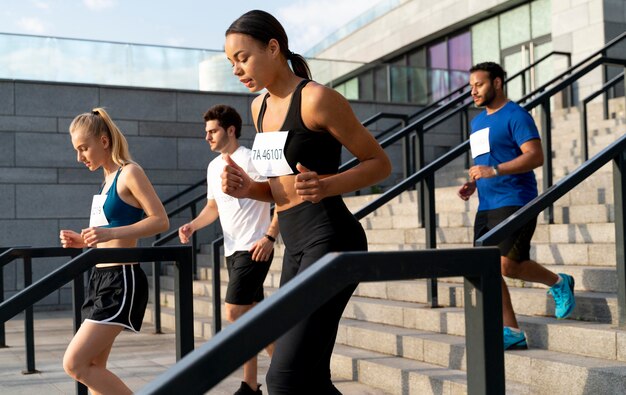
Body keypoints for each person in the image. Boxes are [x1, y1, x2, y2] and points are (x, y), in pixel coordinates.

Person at [221, 10, 391, 395]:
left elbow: (380, 164)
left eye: (242, 57)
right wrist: (248, 188)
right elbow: (280, 190)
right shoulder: (258, 108)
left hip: (331, 240)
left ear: (273, 48)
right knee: (310, 377)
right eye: (231, 62)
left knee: (283, 379)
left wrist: (328, 185)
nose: (236, 69)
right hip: (295, 246)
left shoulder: (317, 99)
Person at [458, 62, 576, 350]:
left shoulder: (516, 116)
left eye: (479, 84)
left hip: (516, 200)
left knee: (507, 265)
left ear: (497, 83)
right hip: (487, 204)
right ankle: (511, 330)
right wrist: (474, 180)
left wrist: (495, 171)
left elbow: (535, 156)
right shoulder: (477, 123)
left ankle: (558, 282)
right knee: (487, 267)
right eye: (471, 85)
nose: (473, 90)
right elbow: (485, 161)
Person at [59, 108, 169, 394]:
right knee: (94, 367)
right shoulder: (106, 181)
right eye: (77, 150)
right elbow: (109, 233)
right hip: (100, 279)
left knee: (74, 363)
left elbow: (160, 220)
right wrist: (84, 242)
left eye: (84, 148)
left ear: (104, 141)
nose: (79, 157)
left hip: (122, 280)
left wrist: (109, 233)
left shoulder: (130, 172)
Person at [178, 104, 278, 395]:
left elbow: (281, 196)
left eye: (212, 131)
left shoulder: (251, 159)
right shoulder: (213, 167)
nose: (207, 137)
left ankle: (285, 372)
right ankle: (253, 383)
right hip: (232, 250)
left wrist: (270, 237)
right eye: (206, 132)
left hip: (255, 247)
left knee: (235, 313)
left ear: (230, 130)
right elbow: (213, 207)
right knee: (254, 315)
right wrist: (193, 226)